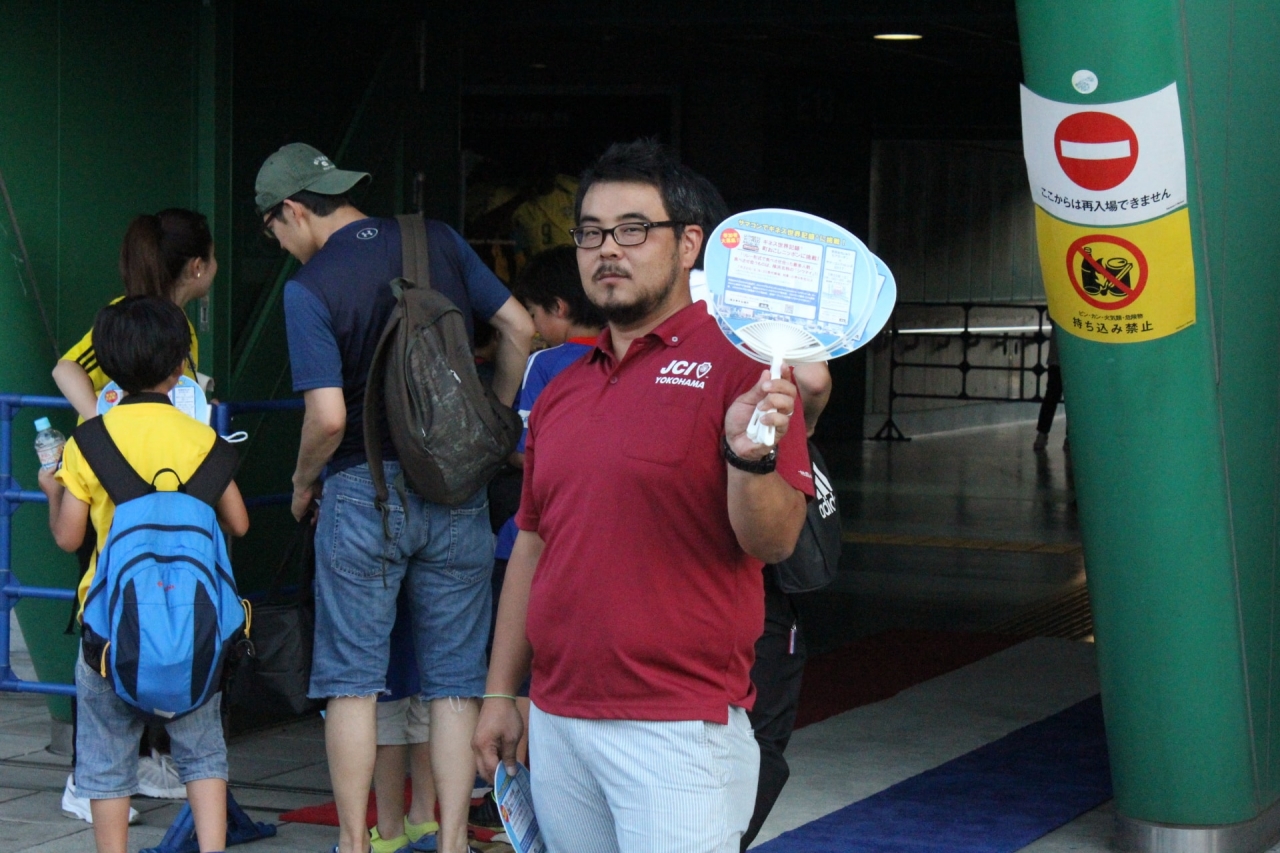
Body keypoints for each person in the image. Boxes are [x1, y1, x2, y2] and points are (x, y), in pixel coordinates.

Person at [473, 139, 813, 853]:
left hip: (678, 725)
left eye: (633, 229)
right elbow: (533, 543)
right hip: (558, 719)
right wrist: (504, 691)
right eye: (591, 232)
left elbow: (774, 540)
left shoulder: (746, 372)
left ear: (689, 244)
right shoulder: (563, 387)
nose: (607, 249)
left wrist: (748, 455)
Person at [256, 142, 533, 853]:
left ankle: (355, 842)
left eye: (272, 229)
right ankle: (450, 840)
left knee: (352, 683)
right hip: (455, 487)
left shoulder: (309, 288)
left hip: (361, 490)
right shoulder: (435, 238)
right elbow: (520, 327)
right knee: (454, 683)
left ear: (292, 211)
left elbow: (328, 418)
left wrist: (301, 483)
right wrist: (490, 423)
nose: (279, 245)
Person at [37, 296, 249, 853]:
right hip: (196, 628)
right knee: (202, 752)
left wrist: (52, 490)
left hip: (110, 631)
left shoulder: (91, 441)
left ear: (107, 367)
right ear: (180, 366)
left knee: (106, 757)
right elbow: (240, 523)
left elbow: (69, 538)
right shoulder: (202, 438)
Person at [51, 208, 217, 819]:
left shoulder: (159, 322)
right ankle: (86, 778)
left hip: (150, 491)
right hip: (118, 495)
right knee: (114, 630)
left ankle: (142, 760)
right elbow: (66, 366)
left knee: (150, 628)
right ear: (196, 266)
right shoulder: (136, 319)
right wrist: (99, 423)